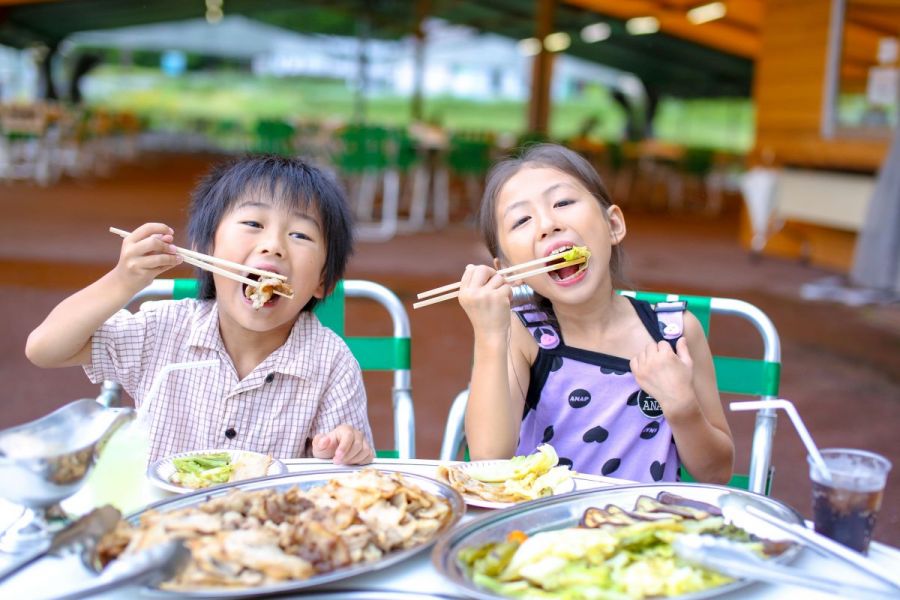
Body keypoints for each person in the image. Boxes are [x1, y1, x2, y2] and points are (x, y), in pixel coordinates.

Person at [25, 155, 374, 465]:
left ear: (323, 282)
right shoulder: (162, 330)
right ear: (206, 250)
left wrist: (343, 449)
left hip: (262, 528)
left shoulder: (331, 362)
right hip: (159, 522)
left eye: (300, 235)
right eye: (253, 223)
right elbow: (45, 348)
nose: (274, 245)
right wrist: (122, 281)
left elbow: (341, 472)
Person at [457, 144, 733, 483]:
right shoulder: (522, 335)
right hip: (550, 528)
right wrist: (489, 335)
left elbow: (718, 473)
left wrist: (682, 407)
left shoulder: (674, 334)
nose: (547, 224)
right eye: (522, 220)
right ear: (508, 270)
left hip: (648, 525)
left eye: (563, 202)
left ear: (613, 224)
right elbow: (488, 460)